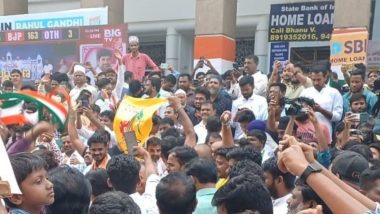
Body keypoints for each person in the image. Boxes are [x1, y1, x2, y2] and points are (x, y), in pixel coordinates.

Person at [106, 146, 160, 214]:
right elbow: (152, 177)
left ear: (109, 182)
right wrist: (146, 155)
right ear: (139, 181)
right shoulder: (150, 204)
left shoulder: (102, 209)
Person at [300, 62, 343, 138]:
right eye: (314, 80)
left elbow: (338, 117)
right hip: (306, 134)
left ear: (325, 77)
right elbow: (298, 113)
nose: (316, 82)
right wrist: (306, 110)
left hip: (326, 134)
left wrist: (320, 110)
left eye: (319, 79)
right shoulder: (305, 92)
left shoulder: (334, 93)